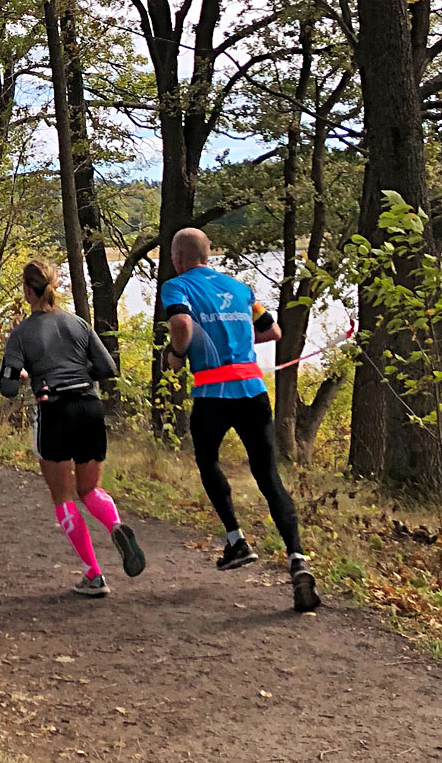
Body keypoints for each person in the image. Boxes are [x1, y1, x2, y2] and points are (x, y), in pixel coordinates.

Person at [161, 226, 320, 614]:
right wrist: (237, 339)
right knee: (268, 474)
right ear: (208, 255)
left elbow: (181, 325)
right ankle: (297, 558)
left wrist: (177, 355)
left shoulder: (177, 287)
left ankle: (236, 540)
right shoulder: (240, 288)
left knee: (207, 460)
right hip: (252, 391)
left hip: (213, 395)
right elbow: (274, 331)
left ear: (178, 258)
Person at [0, 259, 145, 598]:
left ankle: (94, 574)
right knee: (90, 490)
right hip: (89, 407)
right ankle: (116, 525)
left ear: (27, 290)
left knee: (63, 496)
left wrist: (26, 376)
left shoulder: (22, 333)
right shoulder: (78, 323)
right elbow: (107, 366)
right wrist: (77, 377)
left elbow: (6, 386)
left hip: (55, 411)